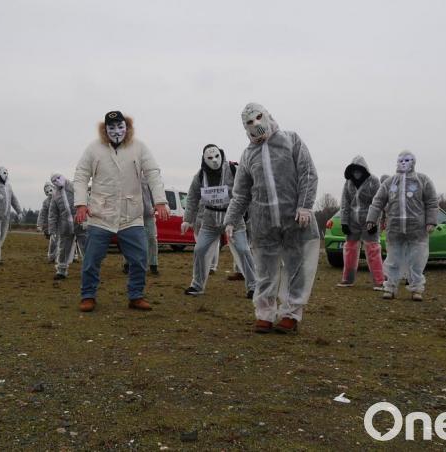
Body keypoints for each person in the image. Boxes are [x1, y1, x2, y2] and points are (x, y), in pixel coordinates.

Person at [224, 103, 319, 334]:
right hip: (263, 223)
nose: (256, 124)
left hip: (295, 219)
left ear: (268, 115)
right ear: (244, 127)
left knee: (296, 267)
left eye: (259, 117)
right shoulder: (248, 155)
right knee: (265, 270)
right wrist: (230, 219)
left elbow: (308, 173)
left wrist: (305, 206)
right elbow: (241, 193)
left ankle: (291, 314)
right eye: (250, 122)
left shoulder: (291, 140)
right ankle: (265, 313)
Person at [73, 110, 169, 312]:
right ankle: (88, 296)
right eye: (112, 127)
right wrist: (81, 203)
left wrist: (160, 201)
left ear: (128, 127)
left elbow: (153, 173)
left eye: (120, 126)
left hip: (131, 215)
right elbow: (81, 175)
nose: (116, 131)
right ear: (105, 129)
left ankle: (136, 295)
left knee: (140, 258)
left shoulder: (139, 147)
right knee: (91, 260)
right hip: (101, 215)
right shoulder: (94, 148)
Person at [182, 144, 257, 298]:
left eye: (216, 156)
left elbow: (246, 190)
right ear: (204, 159)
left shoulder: (233, 170)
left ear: (221, 154)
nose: (214, 160)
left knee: (243, 250)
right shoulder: (200, 175)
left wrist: (248, 213)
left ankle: (254, 286)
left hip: (233, 219)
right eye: (209, 158)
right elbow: (192, 197)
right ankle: (197, 285)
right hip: (209, 221)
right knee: (199, 250)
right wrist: (187, 219)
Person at [366, 151, 438, 301]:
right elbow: (378, 201)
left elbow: (432, 201)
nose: (404, 163)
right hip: (395, 229)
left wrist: (431, 221)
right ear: (397, 162)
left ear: (414, 162)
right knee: (393, 260)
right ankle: (390, 287)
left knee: (417, 260)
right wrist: (371, 219)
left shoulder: (422, 180)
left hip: (417, 230)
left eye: (407, 160)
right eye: (401, 160)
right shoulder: (390, 183)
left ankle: (416, 289)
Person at [336, 156, 384, 290]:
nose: (356, 173)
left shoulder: (373, 181)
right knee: (349, 249)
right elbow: (345, 203)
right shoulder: (348, 183)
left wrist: (373, 222)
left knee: (373, 249)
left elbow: (378, 203)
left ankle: (379, 281)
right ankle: (347, 279)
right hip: (352, 222)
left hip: (369, 221)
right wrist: (344, 222)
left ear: (364, 170)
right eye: (354, 170)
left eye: (359, 170)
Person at [48, 173, 86, 279]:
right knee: (64, 248)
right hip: (66, 227)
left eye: (58, 178)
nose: (57, 181)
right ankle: (61, 271)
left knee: (86, 247)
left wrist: (88, 220)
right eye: (54, 180)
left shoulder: (75, 187)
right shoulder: (55, 195)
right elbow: (53, 214)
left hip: (80, 222)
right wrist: (52, 230)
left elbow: (85, 201)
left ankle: (89, 270)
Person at [122, 180, 160, 275]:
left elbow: (153, 191)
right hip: (132, 214)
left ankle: (153, 264)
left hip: (148, 215)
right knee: (129, 239)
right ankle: (127, 263)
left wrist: (156, 204)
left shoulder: (147, 176)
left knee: (152, 239)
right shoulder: (127, 175)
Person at [0, 166, 22, 266]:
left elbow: (13, 199)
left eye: (7, 172)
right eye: (4, 172)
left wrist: (19, 211)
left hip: (5, 217)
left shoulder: (8, 186)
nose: (6, 174)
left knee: (1, 237)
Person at [37, 181, 58, 263]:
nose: (49, 192)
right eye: (47, 191)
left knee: (68, 240)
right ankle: (52, 257)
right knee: (53, 240)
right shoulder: (46, 202)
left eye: (50, 190)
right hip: (53, 225)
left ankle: (73, 256)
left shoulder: (61, 198)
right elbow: (42, 214)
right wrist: (40, 225)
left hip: (63, 223)